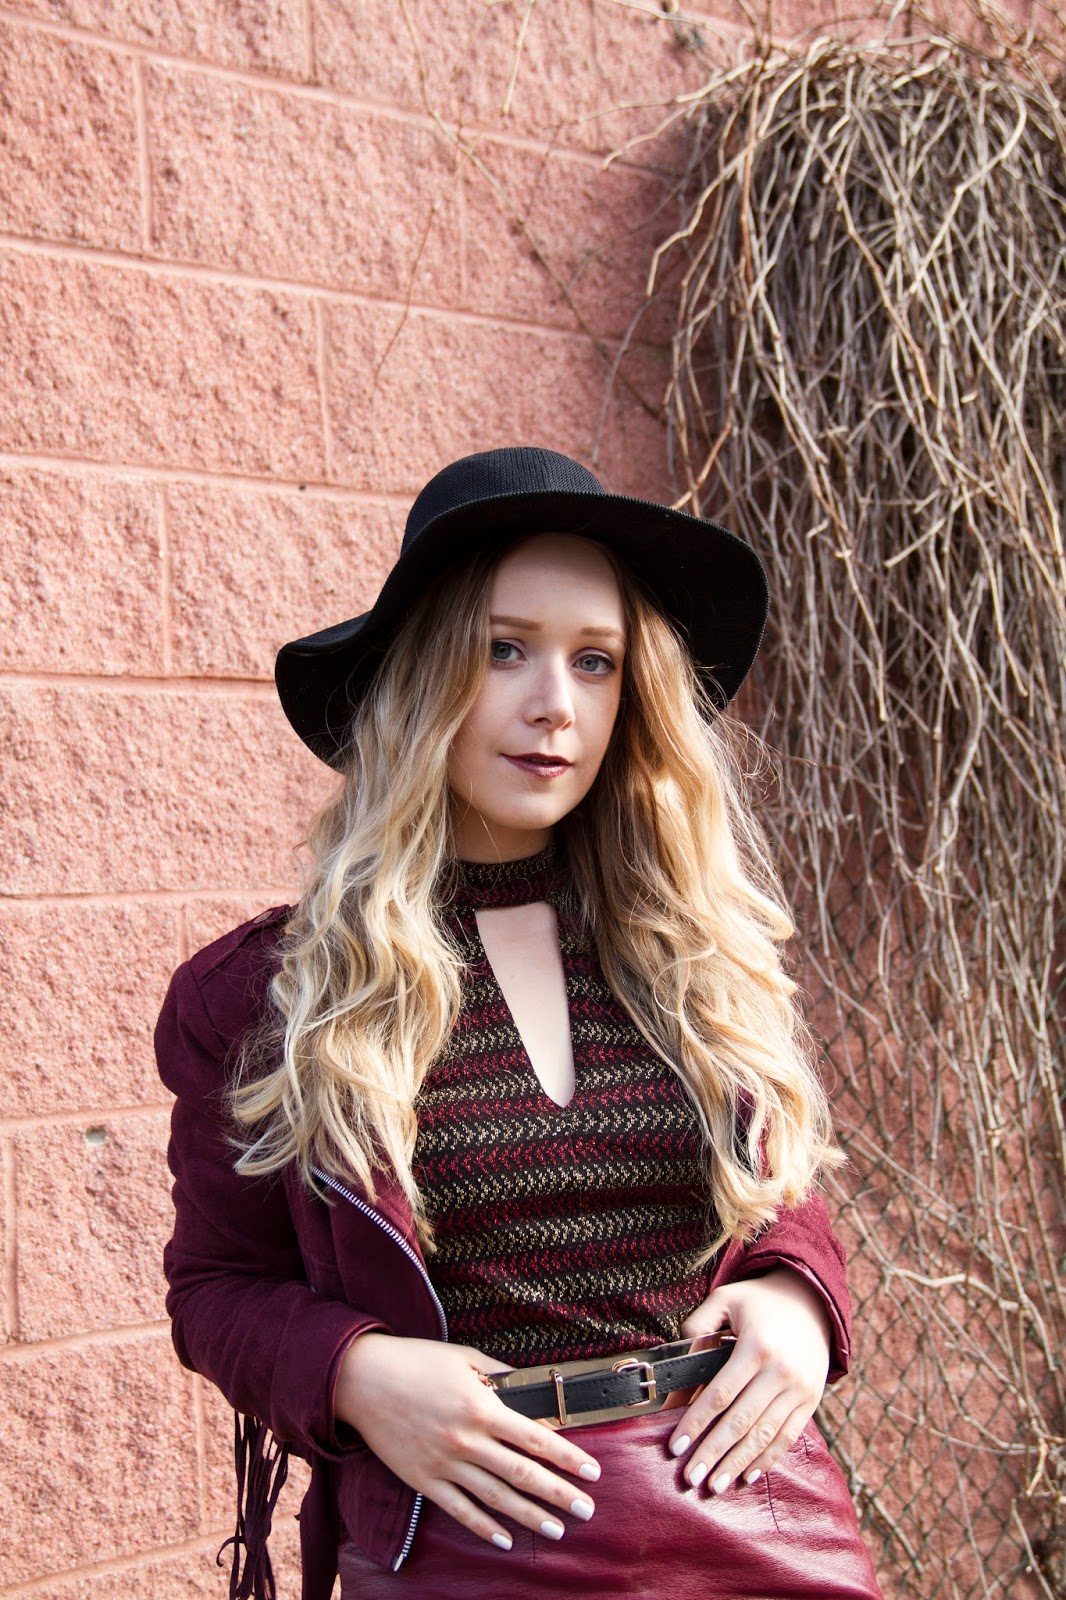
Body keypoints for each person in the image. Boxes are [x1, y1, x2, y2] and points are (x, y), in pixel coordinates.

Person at [156, 446, 884, 1600]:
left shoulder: (687, 948)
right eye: (505, 649)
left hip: (756, 1519)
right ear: (421, 671)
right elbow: (216, 1286)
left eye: (596, 660)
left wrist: (799, 1296)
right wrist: (355, 1373)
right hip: (473, 1540)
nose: (554, 703)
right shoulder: (270, 994)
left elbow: (777, 1192)